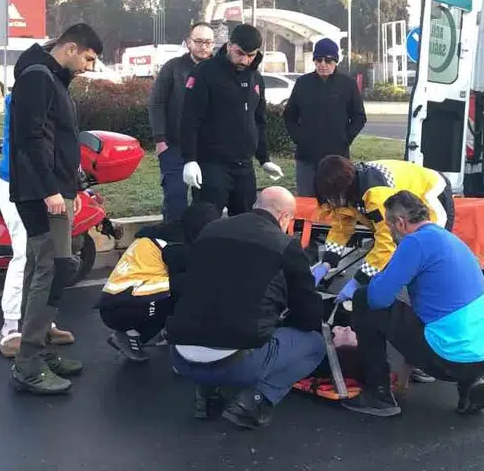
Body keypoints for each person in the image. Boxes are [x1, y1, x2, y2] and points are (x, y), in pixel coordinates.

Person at [166, 186, 324, 430]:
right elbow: (308, 314)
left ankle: (206, 396)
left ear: (255, 206)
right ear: (285, 217)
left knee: (211, 317)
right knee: (314, 344)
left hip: (180, 355)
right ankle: (255, 401)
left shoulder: (211, 230)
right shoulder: (285, 245)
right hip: (234, 364)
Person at [7, 23, 103, 395]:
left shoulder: (51, 77)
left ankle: (41, 352)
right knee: (52, 270)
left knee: (41, 268)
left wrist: (72, 184)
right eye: (88, 59)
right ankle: (29, 364)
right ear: (71, 48)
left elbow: (55, 138)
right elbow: (30, 138)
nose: (89, 68)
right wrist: (51, 190)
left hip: (51, 190)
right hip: (41, 193)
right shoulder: (38, 77)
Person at [343, 191, 484, 418]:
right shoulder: (448, 239)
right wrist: (406, 370)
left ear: (400, 223)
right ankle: (469, 383)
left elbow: (377, 298)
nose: (390, 234)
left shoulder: (414, 242)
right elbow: (423, 313)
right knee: (437, 315)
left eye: (389, 227)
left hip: (448, 359)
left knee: (363, 299)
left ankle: (378, 395)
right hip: (483, 358)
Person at [0, 80, 75, 358]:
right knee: (25, 255)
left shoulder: (47, 91)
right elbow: (34, 144)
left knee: (43, 259)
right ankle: (10, 329)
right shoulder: (30, 94)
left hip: (39, 184)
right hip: (21, 184)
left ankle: (41, 324)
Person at [310, 157, 455, 303]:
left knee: (430, 248)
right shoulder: (347, 190)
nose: (331, 202)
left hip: (432, 190)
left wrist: (358, 280)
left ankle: (439, 302)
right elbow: (340, 228)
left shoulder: (376, 195)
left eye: (332, 197)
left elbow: (386, 242)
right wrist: (327, 263)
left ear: (342, 189)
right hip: (404, 198)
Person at [97, 201, 222, 363]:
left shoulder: (164, 233)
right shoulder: (176, 246)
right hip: (126, 305)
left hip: (115, 302)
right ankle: (177, 336)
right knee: (191, 285)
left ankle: (136, 335)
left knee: (174, 287)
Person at [178, 23, 284, 215]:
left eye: (251, 55)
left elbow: (259, 120)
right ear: (229, 46)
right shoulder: (204, 73)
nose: (244, 60)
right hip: (211, 163)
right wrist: (190, 159)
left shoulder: (255, 78)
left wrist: (264, 158)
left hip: (244, 166)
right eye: (240, 53)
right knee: (206, 219)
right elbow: (190, 119)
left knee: (244, 221)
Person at [148, 22, 216, 223]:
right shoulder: (173, 67)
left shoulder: (219, 70)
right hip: (174, 146)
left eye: (208, 42)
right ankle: (171, 238)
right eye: (198, 41)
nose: (203, 46)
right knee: (175, 199)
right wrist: (160, 140)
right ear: (188, 42)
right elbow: (156, 103)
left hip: (208, 148)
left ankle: (200, 240)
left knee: (206, 203)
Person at [283, 38, 366, 197]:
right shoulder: (303, 83)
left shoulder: (347, 84)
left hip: (337, 157)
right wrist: (299, 138)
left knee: (337, 201)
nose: (323, 64)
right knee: (307, 201)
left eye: (328, 60)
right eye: (318, 60)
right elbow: (289, 115)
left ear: (335, 61)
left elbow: (359, 117)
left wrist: (345, 138)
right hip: (307, 156)